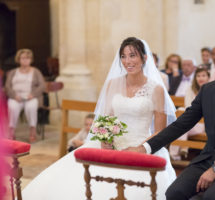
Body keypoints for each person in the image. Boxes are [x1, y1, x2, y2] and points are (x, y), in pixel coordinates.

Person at [22, 37, 177, 200]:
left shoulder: (156, 89)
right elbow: (106, 119)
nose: (127, 61)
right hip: (111, 145)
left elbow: (161, 131)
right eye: (123, 56)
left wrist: (141, 149)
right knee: (74, 179)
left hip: (142, 146)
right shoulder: (113, 84)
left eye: (133, 55)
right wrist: (105, 139)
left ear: (144, 58)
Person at [126, 35, 215, 200]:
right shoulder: (207, 90)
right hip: (207, 158)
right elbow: (181, 125)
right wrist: (146, 148)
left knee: (211, 197)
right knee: (173, 193)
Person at [5, 49, 45, 142]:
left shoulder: (36, 71)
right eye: (23, 58)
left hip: (31, 97)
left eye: (27, 58)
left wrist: (33, 94)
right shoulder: (13, 72)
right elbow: (7, 86)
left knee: (31, 107)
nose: (25, 60)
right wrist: (14, 96)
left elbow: (42, 85)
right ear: (18, 59)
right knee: (12, 107)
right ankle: (11, 130)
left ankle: (32, 130)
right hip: (16, 97)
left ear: (31, 60)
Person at [169, 68, 209, 160]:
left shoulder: (211, 89)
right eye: (198, 76)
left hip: (203, 123)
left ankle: (175, 154)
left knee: (181, 127)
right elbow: (188, 107)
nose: (200, 78)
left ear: (208, 77)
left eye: (203, 75)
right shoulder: (190, 89)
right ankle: (178, 154)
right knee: (181, 126)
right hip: (190, 120)